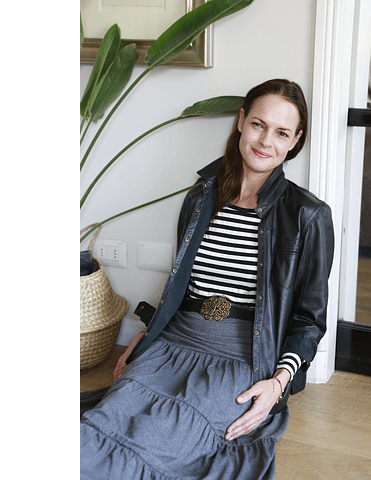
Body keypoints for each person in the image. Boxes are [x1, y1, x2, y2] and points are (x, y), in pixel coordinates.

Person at [80, 78, 334, 480]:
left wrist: (277, 384)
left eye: (281, 133)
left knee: (168, 438)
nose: (265, 141)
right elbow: (180, 285)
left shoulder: (308, 215)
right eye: (258, 124)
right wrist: (148, 334)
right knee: (102, 423)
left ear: (295, 140)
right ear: (241, 121)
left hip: (243, 356)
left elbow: (309, 319)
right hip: (176, 340)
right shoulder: (200, 198)